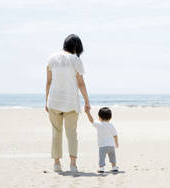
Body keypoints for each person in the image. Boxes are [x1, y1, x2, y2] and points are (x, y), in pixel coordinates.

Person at [45, 34, 91, 173]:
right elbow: (81, 83)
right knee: (72, 134)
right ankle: (73, 165)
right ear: (76, 47)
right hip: (71, 102)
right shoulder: (75, 60)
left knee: (56, 132)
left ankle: (57, 164)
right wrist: (87, 102)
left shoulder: (51, 58)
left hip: (54, 101)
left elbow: (48, 82)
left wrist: (46, 101)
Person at [86, 107, 119, 173]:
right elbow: (115, 135)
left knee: (102, 157)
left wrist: (88, 113)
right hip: (111, 145)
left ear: (99, 117)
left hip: (102, 145)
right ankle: (114, 166)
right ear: (110, 117)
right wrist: (116, 143)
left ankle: (102, 168)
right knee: (112, 156)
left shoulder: (99, 124)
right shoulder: (111, 125)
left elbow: (91, 120)